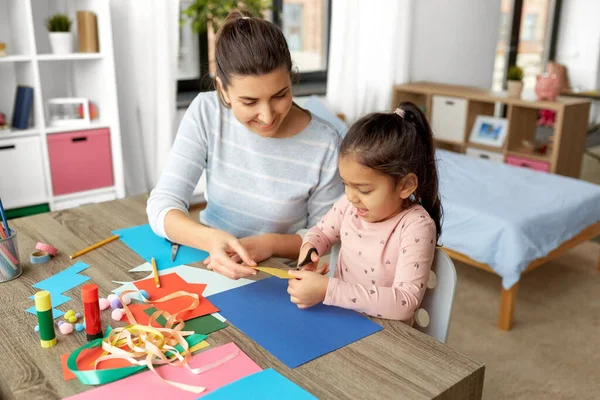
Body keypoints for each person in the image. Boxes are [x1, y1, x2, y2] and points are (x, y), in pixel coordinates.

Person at [147, 11, 343, 280]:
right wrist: (209, 239)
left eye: (280, 95)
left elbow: (325, 235)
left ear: (291, 79)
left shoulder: (325, 143)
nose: (267, 115)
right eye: (250, 102)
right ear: (223, 90)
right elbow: (162, 204)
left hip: (278, 274)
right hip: (208, 261)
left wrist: (269, 244)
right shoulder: (207, 111)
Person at [287, 102, 442, 323]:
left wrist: (328, 289)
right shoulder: (349, 205)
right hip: (340, 320)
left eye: (364, 189)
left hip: (385, 338)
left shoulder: (416, 225)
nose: (351, 196)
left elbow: (404, 302)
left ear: (405, 186)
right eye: (345, 184)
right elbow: (320, 232)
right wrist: (309, 250)